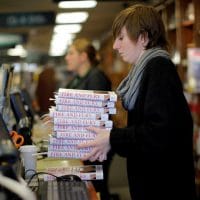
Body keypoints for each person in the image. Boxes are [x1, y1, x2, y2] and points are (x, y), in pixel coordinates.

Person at [78, 4, 197, 200]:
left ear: (143, 37)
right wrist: (110, 144)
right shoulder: (145, 70)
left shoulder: (158, 68)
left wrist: (111, 138)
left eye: (121, 38)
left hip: (164, 190)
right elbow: (145, 134)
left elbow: (158, 134)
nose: (115, 46)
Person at [65, 38, 113, 200]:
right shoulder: (76, 80)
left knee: (95, 190)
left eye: (71, 53)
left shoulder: (96, 77)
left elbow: (96, 114)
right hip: (83, 144)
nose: (67, 57)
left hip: (95, 146)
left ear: (83, 56)